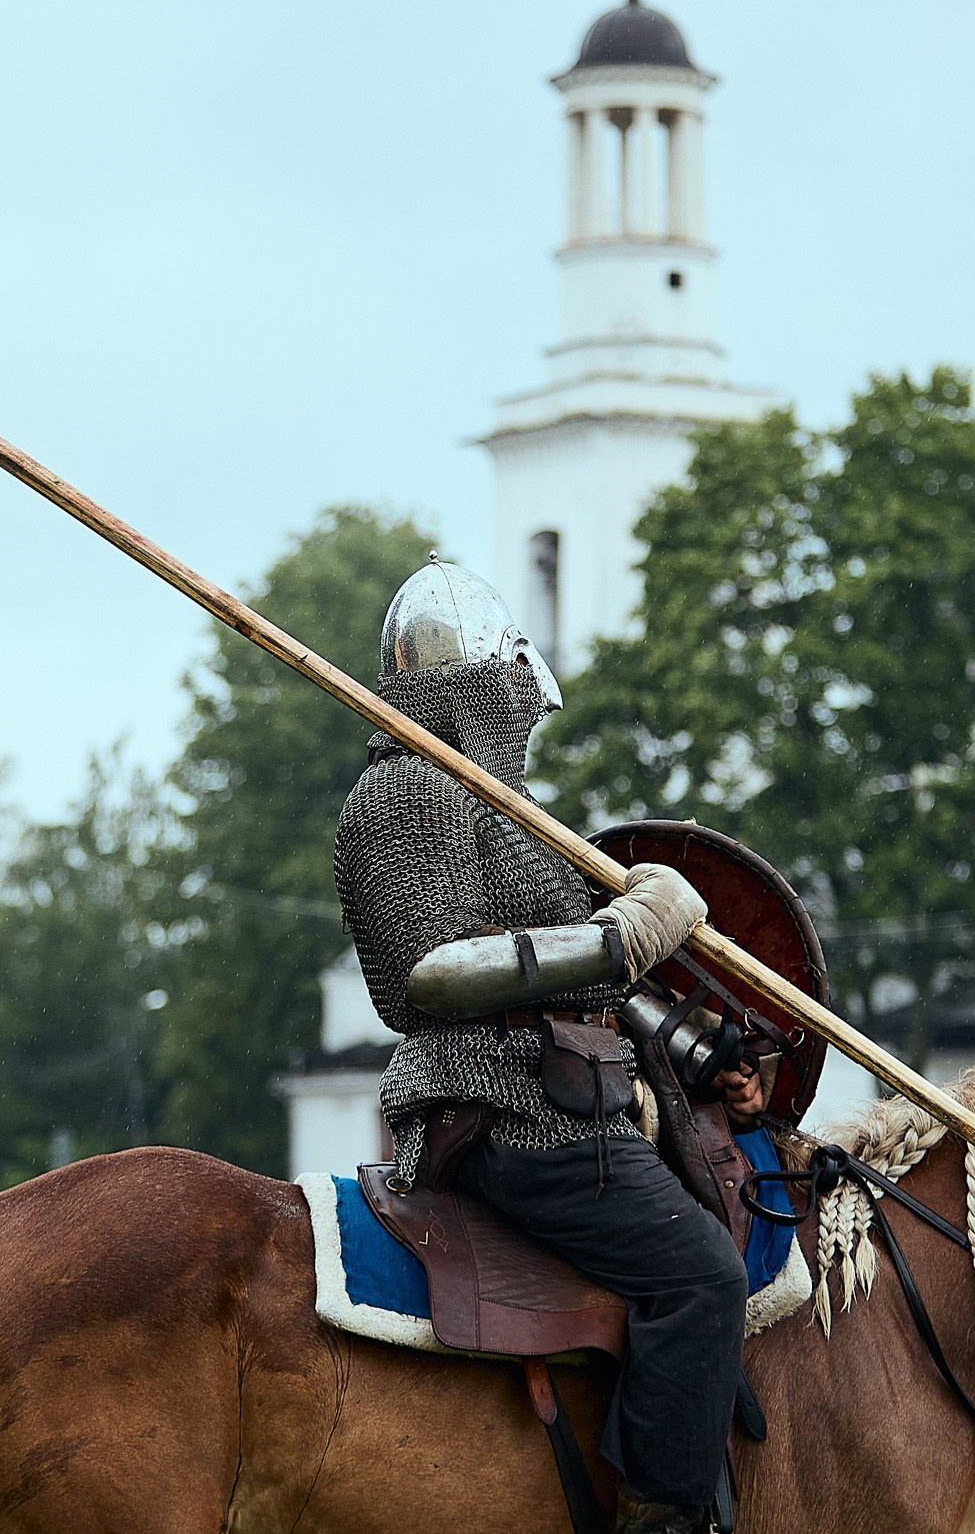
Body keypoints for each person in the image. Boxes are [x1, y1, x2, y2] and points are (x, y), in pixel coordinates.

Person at [334, 559, 744, 1534]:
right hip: (504, 1107)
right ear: (483, 685)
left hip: (570, 1089)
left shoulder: (497, 808)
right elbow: (427, 974)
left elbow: (593, 997)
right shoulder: (406, 791)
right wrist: (623, 933)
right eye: (513, 686)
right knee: (700, 1278)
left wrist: (699, 1058)